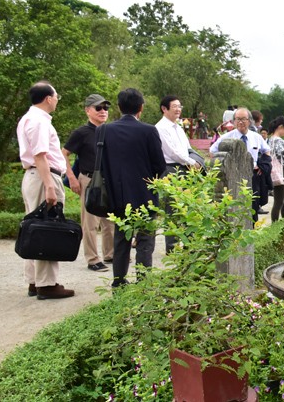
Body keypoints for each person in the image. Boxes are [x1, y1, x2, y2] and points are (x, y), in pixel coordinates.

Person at [101, 88, 166, 287]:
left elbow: (101, 163)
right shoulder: (148, 130)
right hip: (144, 194)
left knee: (121, 240)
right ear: (141, 108)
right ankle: (143, 283)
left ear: (119, 107)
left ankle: (118, 283)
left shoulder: (104, 129)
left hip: (117, 194)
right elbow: (160, 165)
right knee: (145, 242)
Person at [16, 81, 74, 299]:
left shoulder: (27, 119)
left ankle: (34, 281)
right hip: (43, 175)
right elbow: (40, 155)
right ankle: (47, 284)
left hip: (34, 176)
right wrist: (49, 184)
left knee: (34, 227)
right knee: (48, 228)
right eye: (56, 95)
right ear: (48, 98)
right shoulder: (39, 121)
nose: (58, 99)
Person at [62, 94, 115, 273]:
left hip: (108, 180)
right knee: (90, 221)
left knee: (110, 220)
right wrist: (71, 177)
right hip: (89, 179)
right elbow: (64, 153)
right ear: (87, 110)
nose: (103, 111)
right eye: (98, 108)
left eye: (105, 108)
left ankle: (110, 253)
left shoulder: (110, 130)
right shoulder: (81, 132)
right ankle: (93, 259)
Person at [156, 95, 202, 252]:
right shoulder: (161, 128)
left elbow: (187, 149)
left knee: (189, 207)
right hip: (172, 169)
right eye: (174, 106)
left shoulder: (178, 127)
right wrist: (191, 162)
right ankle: (173, 247)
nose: (178, 109)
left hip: (185, 168)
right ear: (164, 108)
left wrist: (195, 161)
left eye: (179, 106)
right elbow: (173, 152)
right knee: (173, 209)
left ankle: (189, 245)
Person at [210, 107, 270, 221]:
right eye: (237, 119)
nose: (240, 122)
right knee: (234, 208)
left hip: (252, 177)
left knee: (253, 208)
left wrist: (262, 165)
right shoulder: (227, 137)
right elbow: (212, 151)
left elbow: (267, 151)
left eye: (243, 119)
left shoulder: (256, 137)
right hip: (234, 178)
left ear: (249, 120)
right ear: (233, 121)